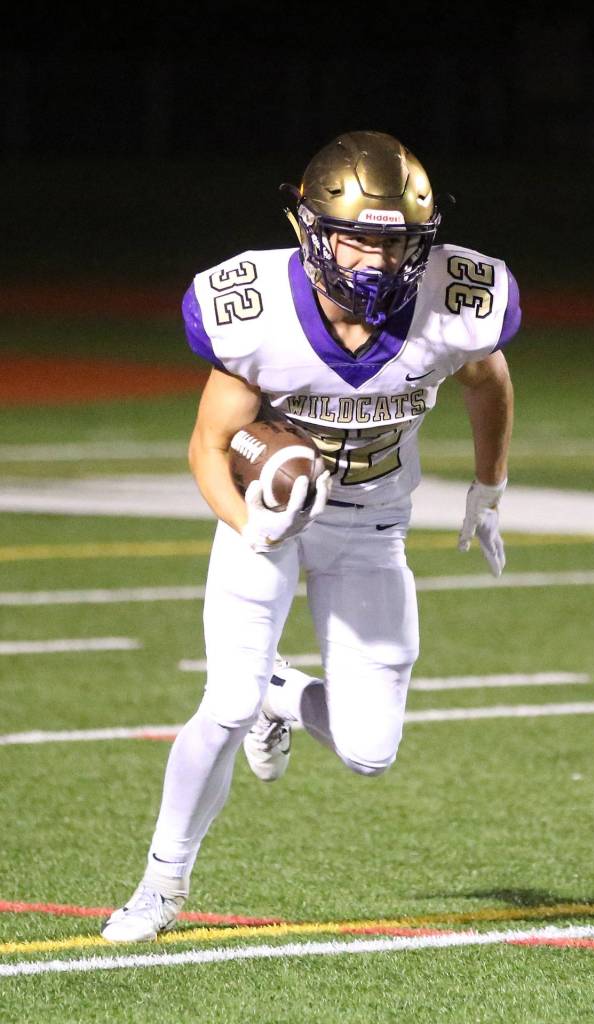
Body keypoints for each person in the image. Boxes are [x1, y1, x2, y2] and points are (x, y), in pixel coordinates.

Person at [102, 130, 519, 942]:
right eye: (357, 237)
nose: (374, 260)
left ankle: (279, 694)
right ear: (312, 229)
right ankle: (161, 884)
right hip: (268, 524)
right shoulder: (254, 307)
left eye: (394, 241)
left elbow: (487, 378)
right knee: (221, 703)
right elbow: (207, 444)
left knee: (369, 752)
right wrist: (249, 520)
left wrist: (489, 486)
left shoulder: (454, 300)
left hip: (374, 526)